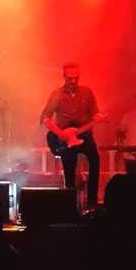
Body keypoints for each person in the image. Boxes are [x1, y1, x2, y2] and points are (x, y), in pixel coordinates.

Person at [40, 62, 102, 210]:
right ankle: (70, 205)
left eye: (76, 78)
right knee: (69, 167)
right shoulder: (57, 94)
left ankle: (92, 202)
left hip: (84, 134)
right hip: (65, 136)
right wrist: (61, 134)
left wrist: (99, 117)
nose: (73, 81)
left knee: (95, 160)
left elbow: (95, 112)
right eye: (70, 78)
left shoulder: (87, 92)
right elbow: (45, 118)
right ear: (64, 77)